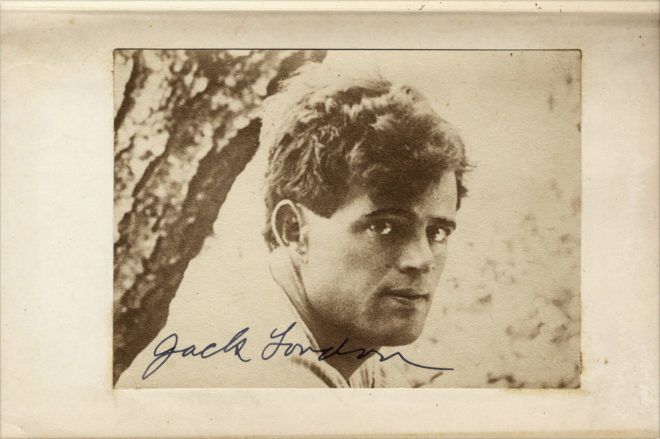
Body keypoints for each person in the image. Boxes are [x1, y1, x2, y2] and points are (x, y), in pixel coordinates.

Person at [117, 60, 469, 389]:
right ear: (293, 229)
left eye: (437, 232)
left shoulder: (338, 343)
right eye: (385, 227)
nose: (422, 259)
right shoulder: (253, 367)